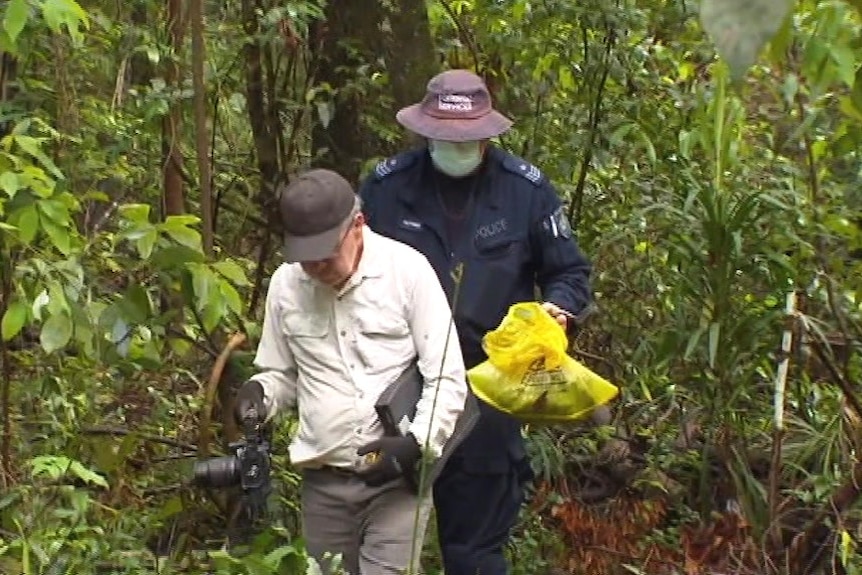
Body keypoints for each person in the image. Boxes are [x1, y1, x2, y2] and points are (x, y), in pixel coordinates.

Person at [358, 69, 593, 575]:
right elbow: (346, 271)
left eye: (467, 138)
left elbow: (569, 272)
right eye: (444, 137)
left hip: (487, 388)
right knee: (384, 543)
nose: (456, 146)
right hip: (401, 385)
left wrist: (558, 311)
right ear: (424, 131)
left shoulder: (524, 191)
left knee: (475, 552)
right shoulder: (386, 188)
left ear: (488, 135)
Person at [233, 168, 468, 575]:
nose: (316, 266)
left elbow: (447, 376)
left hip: (397, 480)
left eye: (325, 252)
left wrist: (416, 444)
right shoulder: (286, 286)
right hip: (324, 482)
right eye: (305, 257)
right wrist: (259, 394)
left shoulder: (407, 271)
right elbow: (282, 374)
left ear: (357, 225)